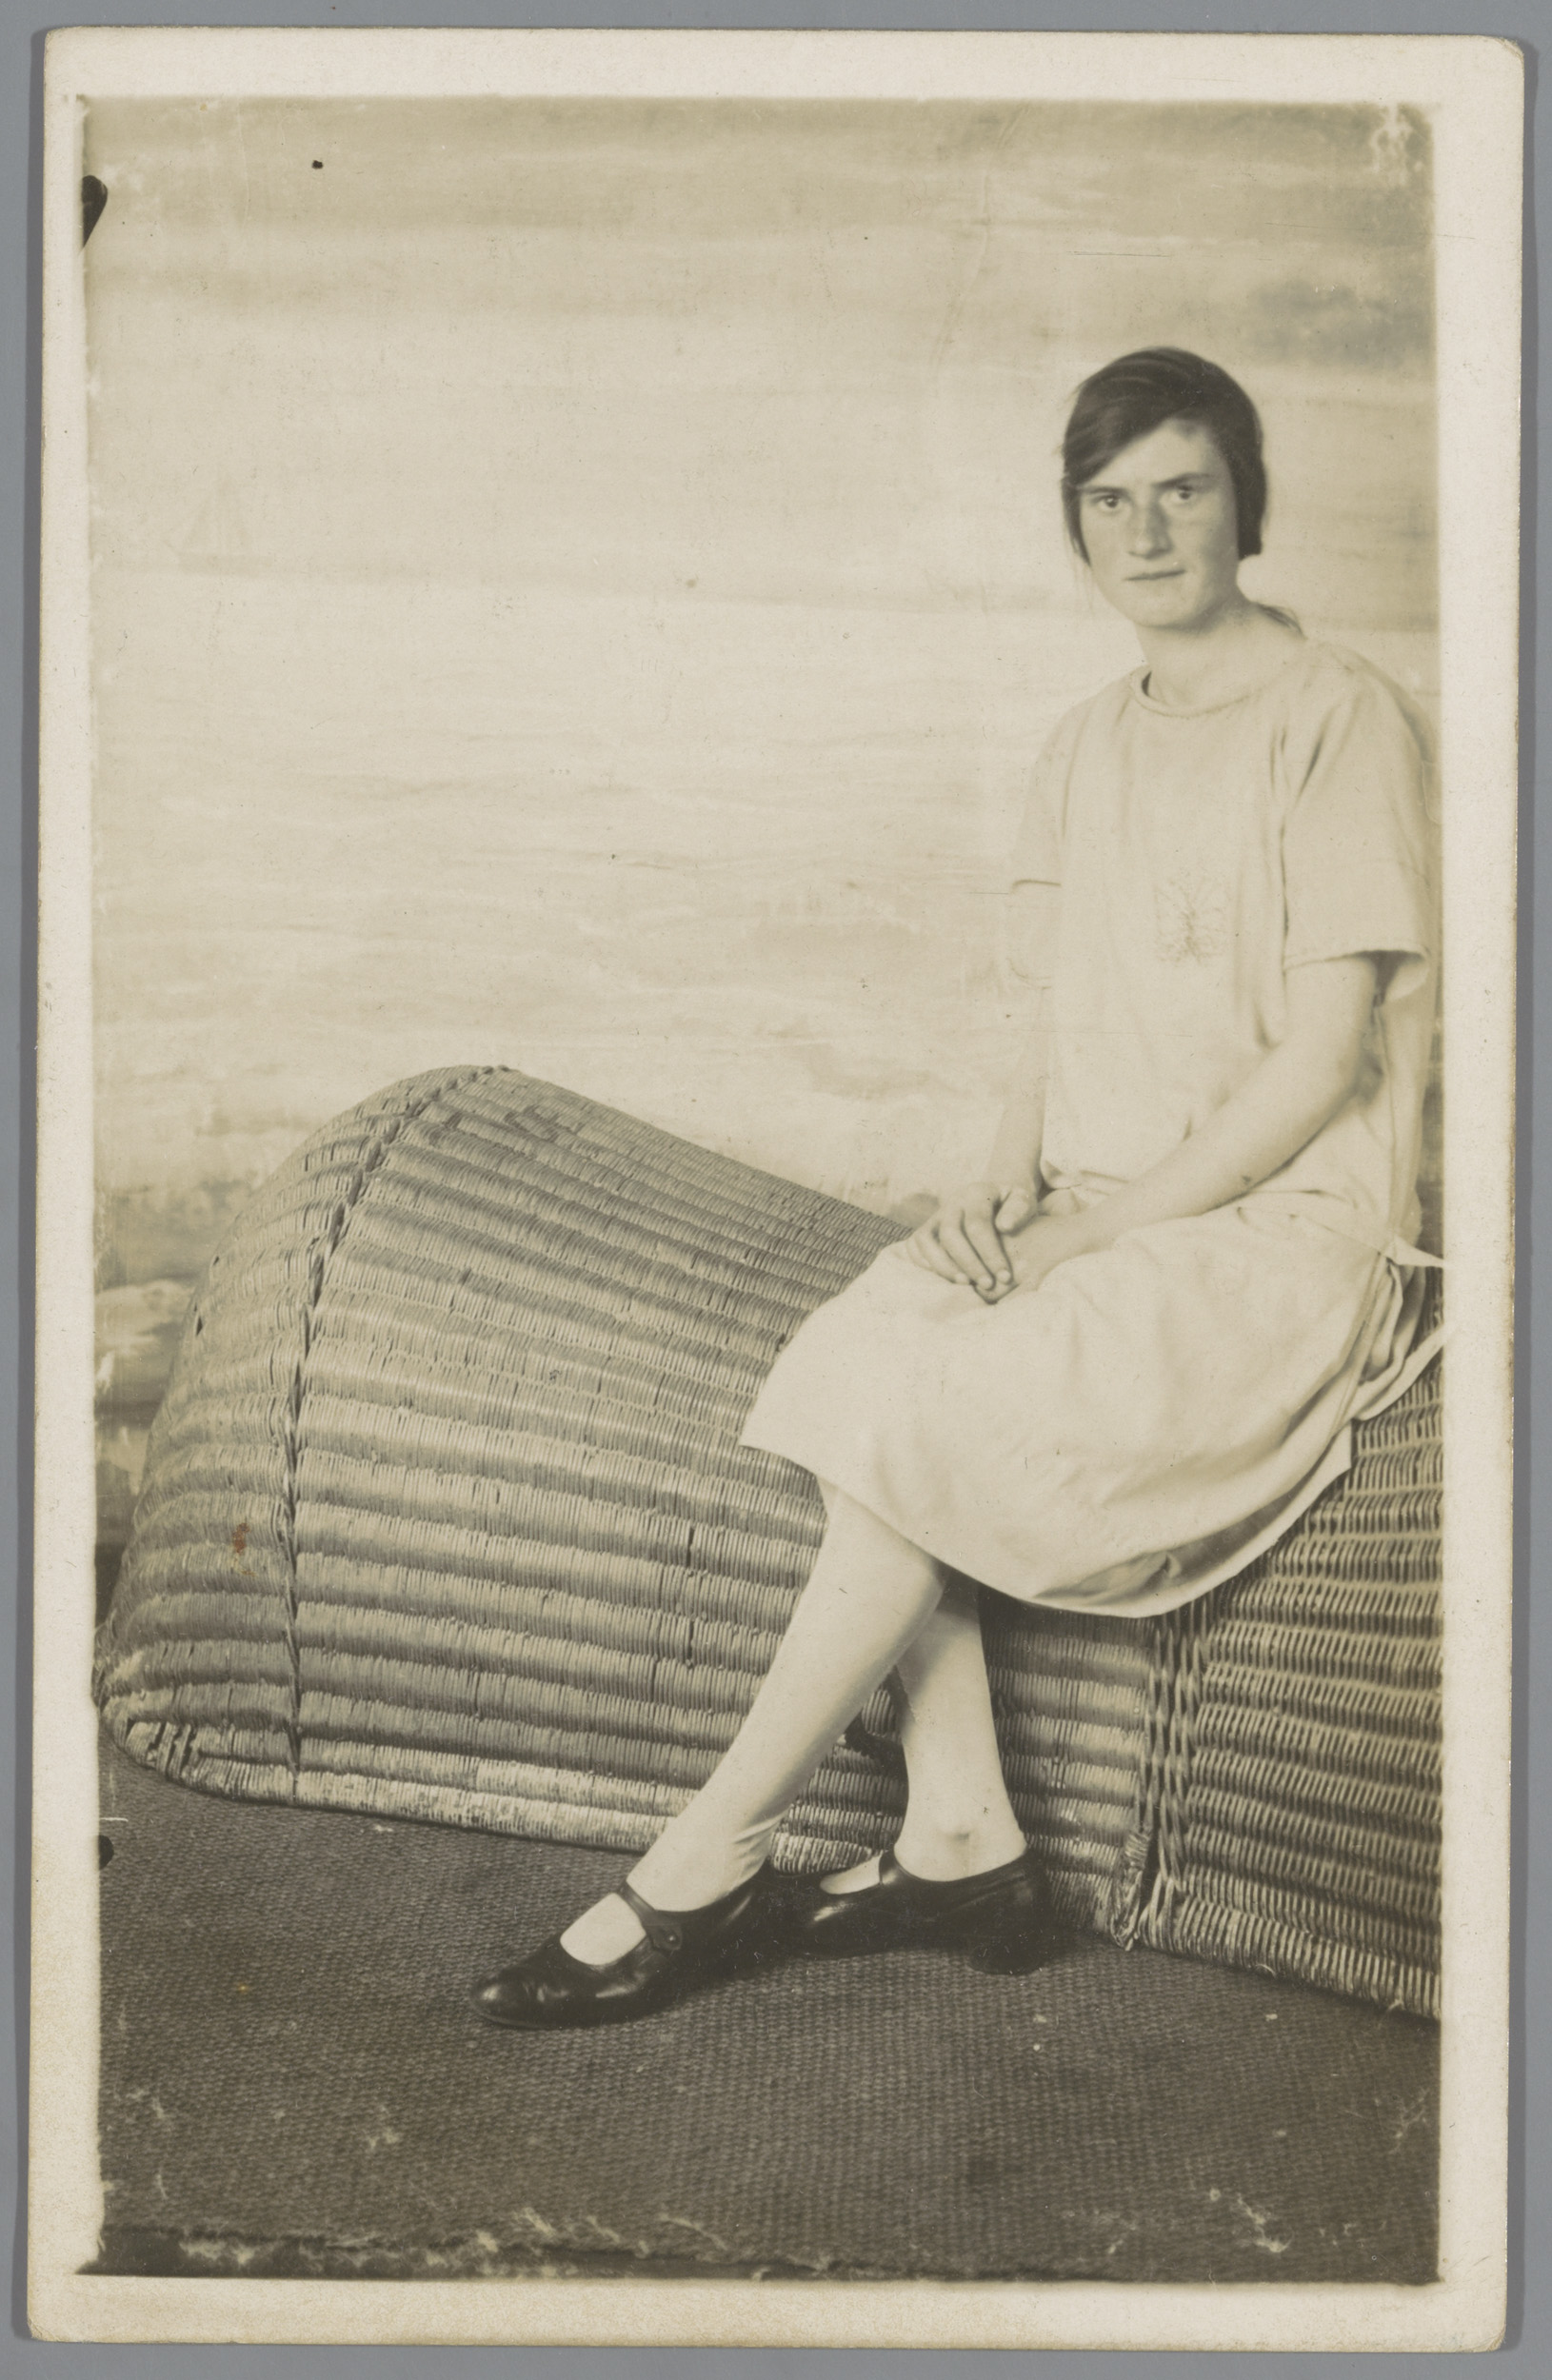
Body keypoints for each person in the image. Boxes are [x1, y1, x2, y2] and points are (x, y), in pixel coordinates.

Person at [473, 347, 1441, 2032]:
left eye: (1184, 490)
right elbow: (1045, 1022)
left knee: (934, 1408)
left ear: (1246, 508)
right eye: (1109, 501)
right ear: (1076, 529)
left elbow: (1317, 1068)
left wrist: (1090, 1236)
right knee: (854, 1354)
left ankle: (700, 1862)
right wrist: (1000, 1195)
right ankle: (963, 1836)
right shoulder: (1080, 745)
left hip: (1275, 1235)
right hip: (1098, 1199)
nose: (1147, 532)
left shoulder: (1335, 717)